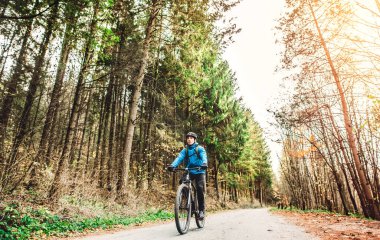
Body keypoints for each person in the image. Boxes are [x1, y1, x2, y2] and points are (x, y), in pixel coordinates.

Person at [168, 132, 208, 219]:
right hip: (189, 170)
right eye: (188, 138)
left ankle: (201, 210)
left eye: (191, 138)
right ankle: (192, 206)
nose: (189, 139)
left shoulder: (199, 148)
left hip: (199, 171)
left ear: (194, 140)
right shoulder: (185, 150)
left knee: (200, 188)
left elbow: (204, 156)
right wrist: (172, 165)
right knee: (182, 182)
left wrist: (204, 163)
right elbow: (179, 158)